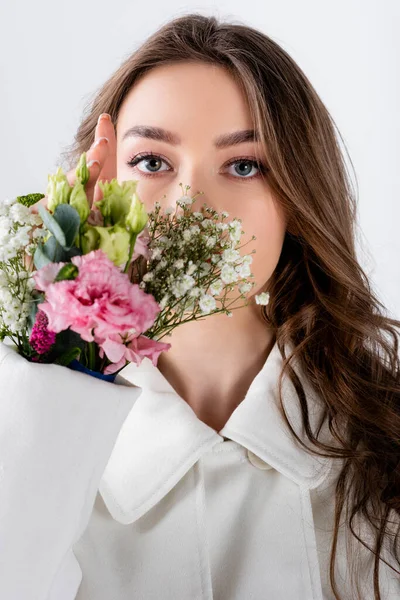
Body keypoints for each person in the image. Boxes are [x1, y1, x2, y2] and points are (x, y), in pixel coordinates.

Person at [1, 12, 399, 600]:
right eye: (152, 162)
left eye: (243, 165)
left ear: (298, 196)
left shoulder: (384, 445)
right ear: (98, 187)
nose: (190, 204)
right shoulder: (30, 442)